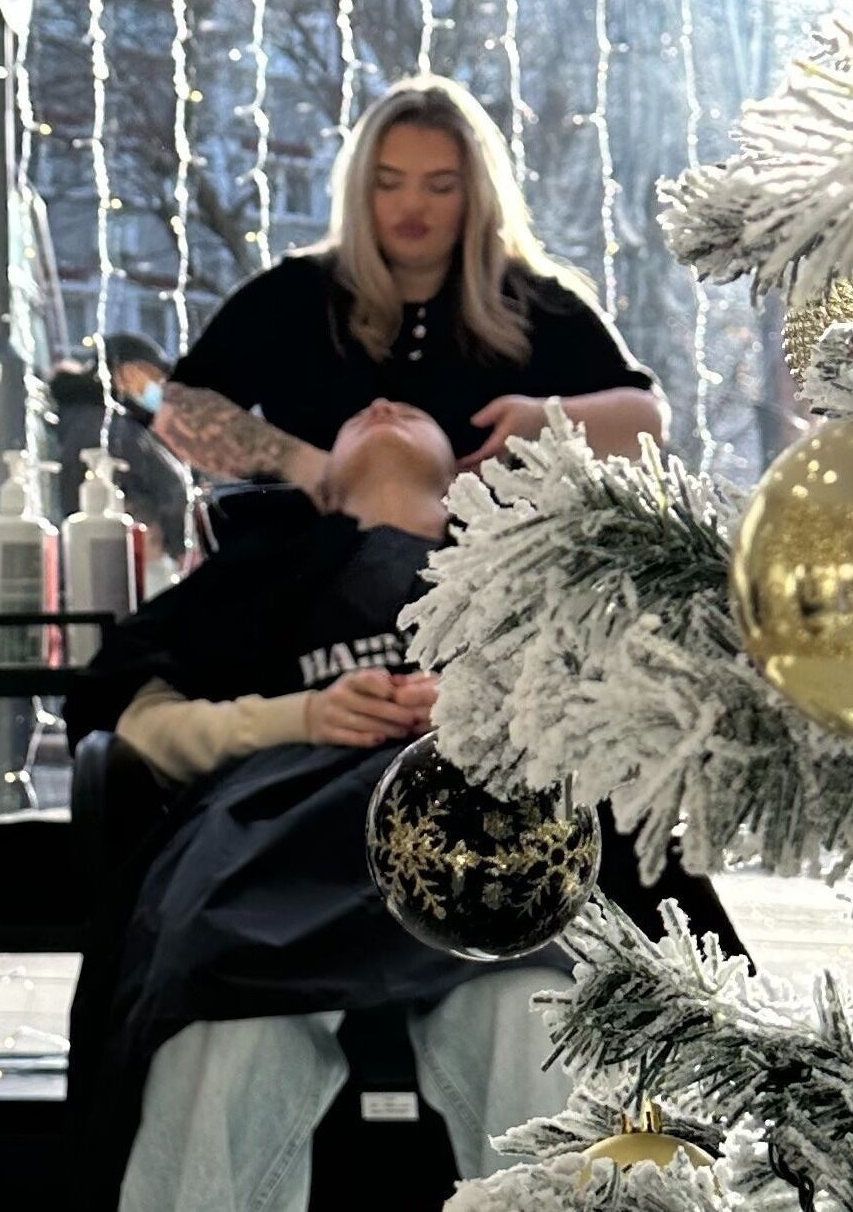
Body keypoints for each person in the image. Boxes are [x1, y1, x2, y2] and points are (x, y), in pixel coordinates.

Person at [63, 399, 737, 1212]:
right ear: (321, 482)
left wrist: (497, 710)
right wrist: (300, 717)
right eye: (354, 417)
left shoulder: (530, 573)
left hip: (493, 848)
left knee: (531, 1018)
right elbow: (135, 721)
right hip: (274, 845)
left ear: (463, 473)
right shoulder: (254, 574)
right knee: (220, 1031)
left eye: (415, 411)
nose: (381, 405)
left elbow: (650, 714)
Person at [155, 75, 666, 491]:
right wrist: (309, 467)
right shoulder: (292, 296)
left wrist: (545, 420)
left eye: (440, 186)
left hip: (496, 589)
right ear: (359, 187)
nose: (412, 206)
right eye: (388, 182)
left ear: (477, 194)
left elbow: (647, 419)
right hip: (308, 580)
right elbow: (174, 406)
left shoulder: (536, 304)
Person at [48, 333, 192, 573]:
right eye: (152, 376)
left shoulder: (94, 419)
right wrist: (175, 544)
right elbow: (171, 491)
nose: (160, 386)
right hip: (129, 565)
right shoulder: (110, 428)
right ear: (123, 373)